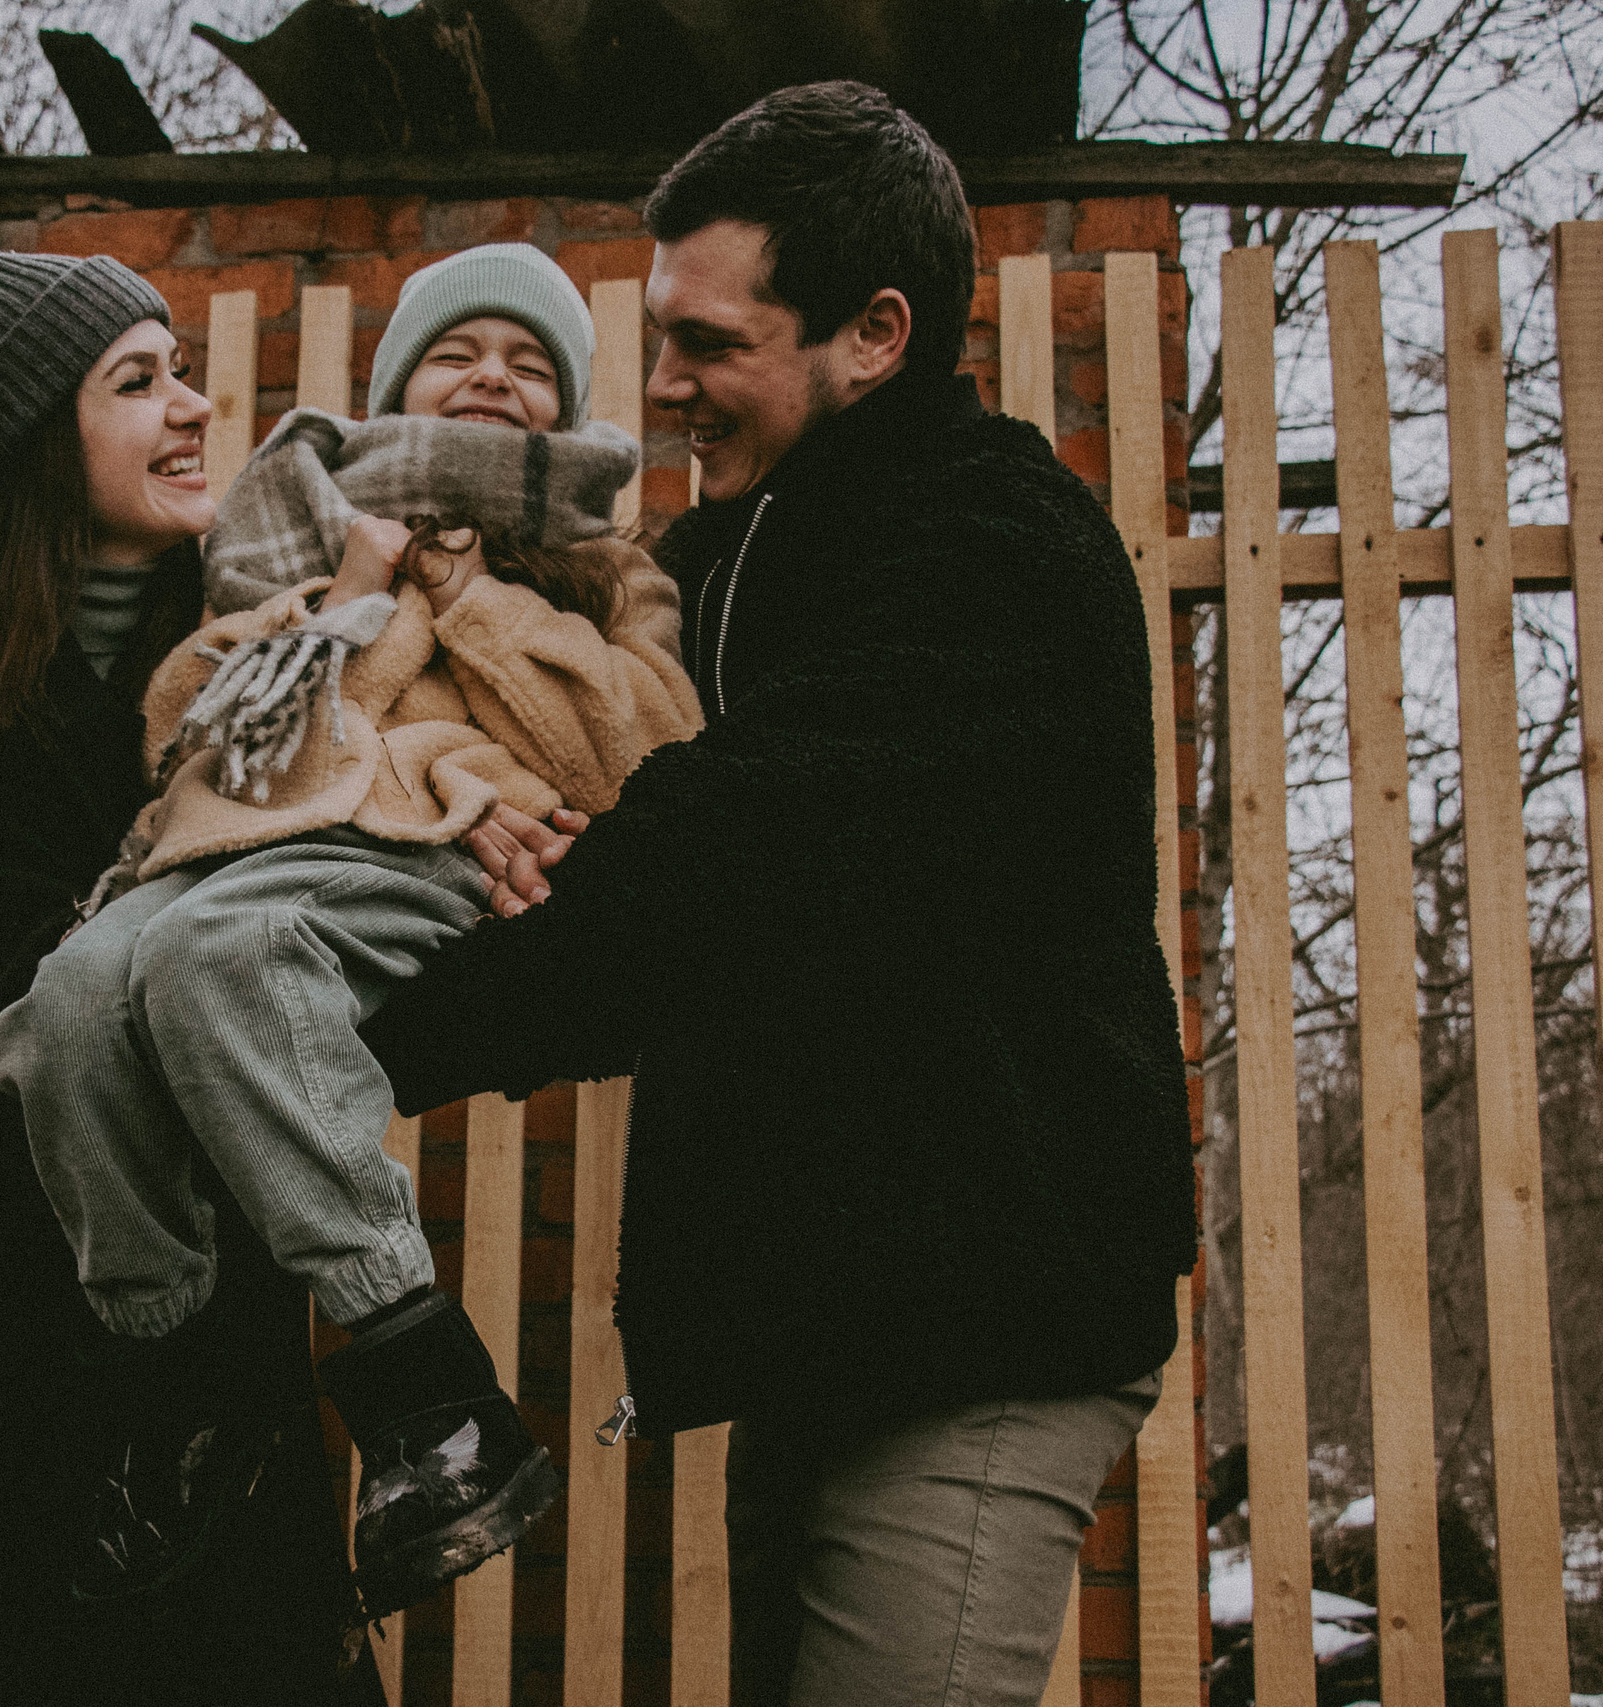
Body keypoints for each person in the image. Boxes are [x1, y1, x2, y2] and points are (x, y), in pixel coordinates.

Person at [358, 85, 1200, 1707]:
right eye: (660, 335)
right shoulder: (740, 553)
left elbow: (731, 862)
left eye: (709, 341)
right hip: (831, 1318)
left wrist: (371, 1030)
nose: (661, 380)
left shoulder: (991, 547)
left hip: (984, 1323)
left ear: (875, 332)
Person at [0, 242, 704, 1618]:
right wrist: (362, 591)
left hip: (426, 844)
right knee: (61, 1013)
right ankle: (174, 1389)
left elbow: (642, 745)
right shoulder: (288, 528)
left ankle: (433, 1398)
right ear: (393, 382)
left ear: (564, 409)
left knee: (216, 964)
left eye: (530, 361)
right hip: (235, 845)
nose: (493, 373)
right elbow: (190, 724)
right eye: (457, 351)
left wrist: (470, 598)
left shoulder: (609, 566)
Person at [0, 246, 371, 1705]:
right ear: (48, 439)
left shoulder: (259, 671)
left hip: (208, 1372)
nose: (191, 408)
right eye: (137, 381)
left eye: (181, 369)